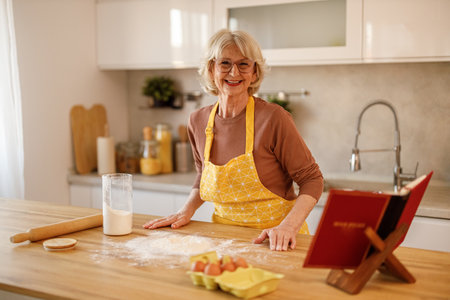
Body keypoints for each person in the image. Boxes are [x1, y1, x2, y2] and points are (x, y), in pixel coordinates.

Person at [143, 29, 323, 251]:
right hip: (224, 241)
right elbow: (204, 176)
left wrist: (288, 227)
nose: (234, 72)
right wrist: (185, 210)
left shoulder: (274, 118)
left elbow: (312, 179)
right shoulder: (197, 121)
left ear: (254, 73)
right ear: (211, 69)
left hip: (276, 242)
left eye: (244, 64)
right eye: (225, 63)